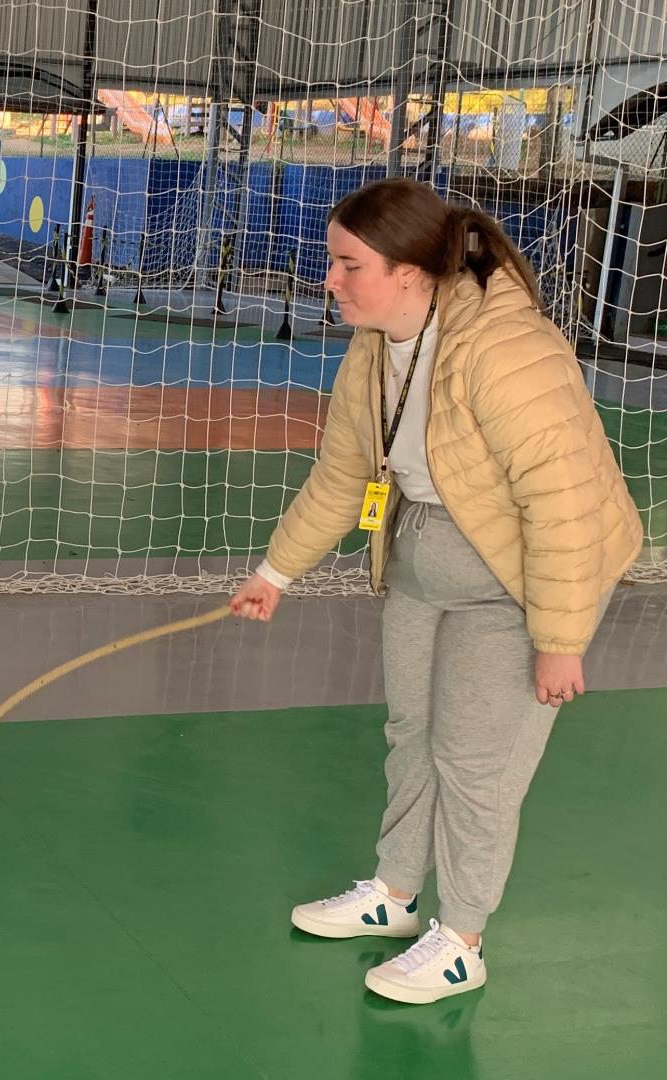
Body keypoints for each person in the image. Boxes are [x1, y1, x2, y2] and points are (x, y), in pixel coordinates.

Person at [229, 179, 642, 1004]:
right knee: (412, 735)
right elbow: (344, 472)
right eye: (330, 263)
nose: (329, 280)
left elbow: (561, 499)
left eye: (348, 265)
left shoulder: (504, 350)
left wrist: (558, 636)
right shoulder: (377, 343)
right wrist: (274, 573)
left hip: (521, 580)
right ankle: (392, 893)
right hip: (423, 561)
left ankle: (460, 940)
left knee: (475, 765)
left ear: (413, 271)